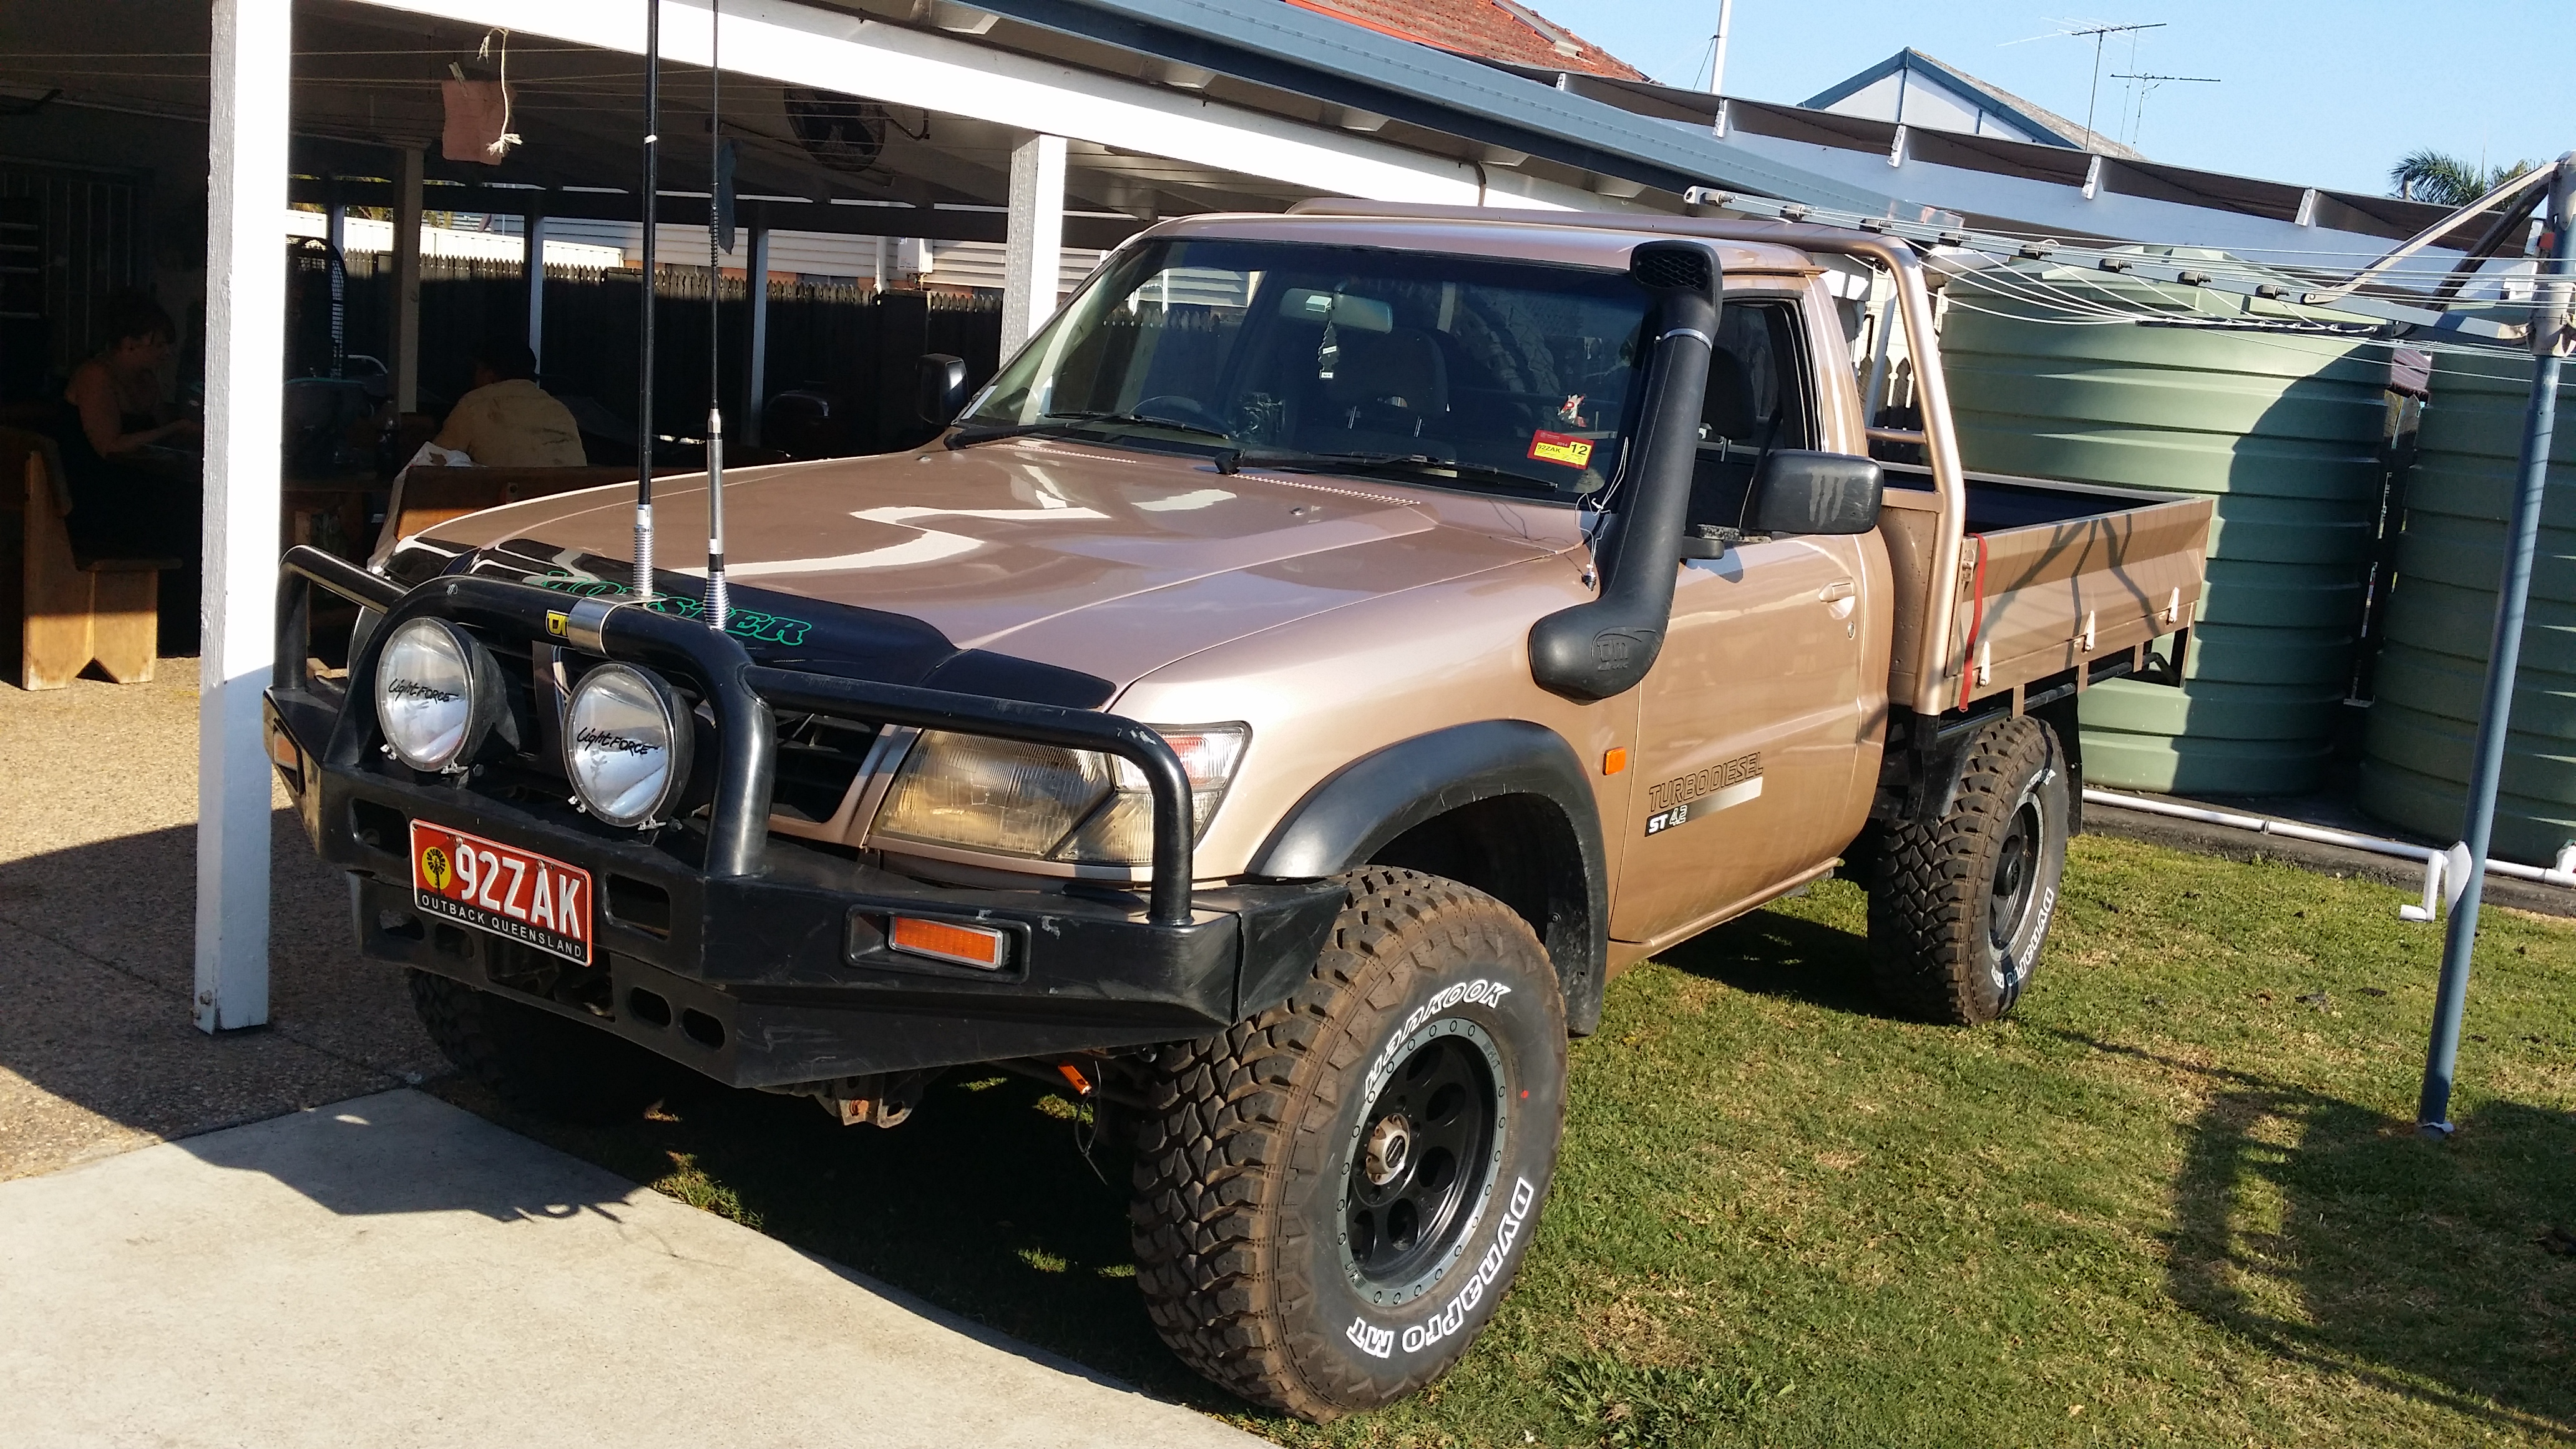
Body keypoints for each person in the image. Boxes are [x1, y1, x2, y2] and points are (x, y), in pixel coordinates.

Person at [431, 338, 586, 466]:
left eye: (476, 370)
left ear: (489, 375)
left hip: (511, 500)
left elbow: (433, 465)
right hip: (571, 500)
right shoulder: (559, 410)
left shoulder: (475, 405)